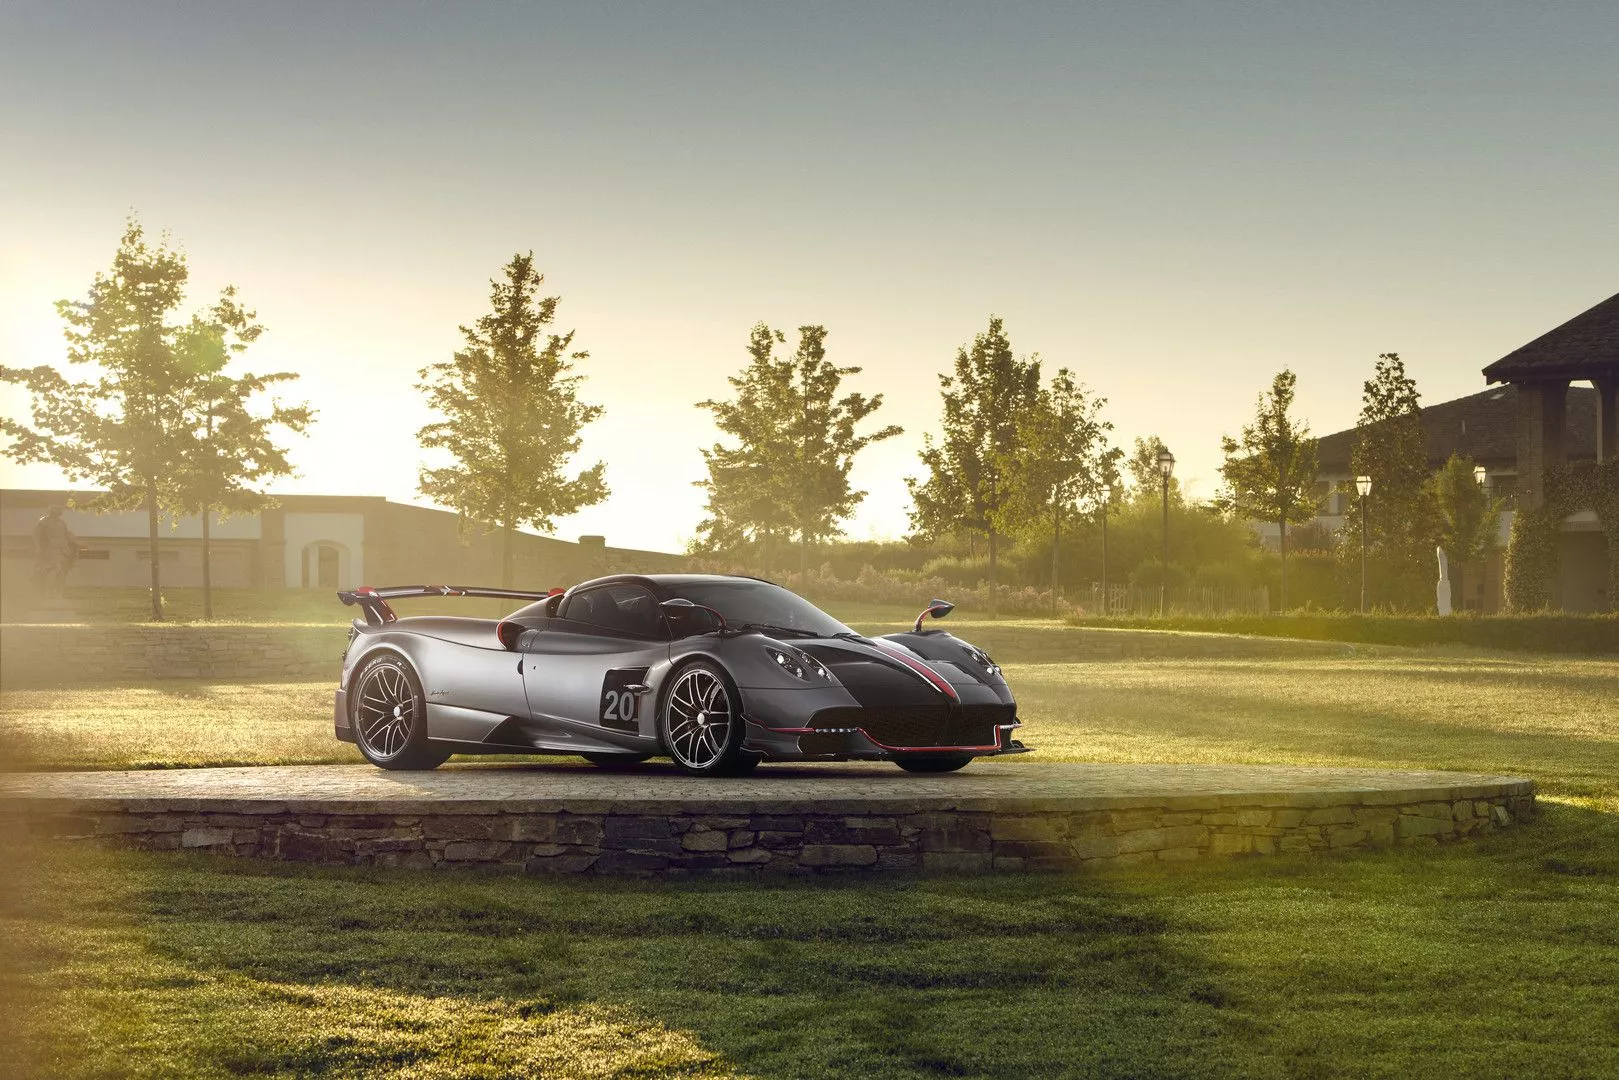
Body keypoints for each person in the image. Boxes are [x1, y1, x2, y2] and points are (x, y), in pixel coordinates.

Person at [32, 505, 78, 599]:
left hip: (64, 550)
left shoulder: (61, 523)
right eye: (57, 511)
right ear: (52, 511)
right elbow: (36, 536)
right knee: (55, 569)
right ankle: (46, 592)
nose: (59, 513)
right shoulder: (43, 521)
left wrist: (75, 542)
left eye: (59, 511)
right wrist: (38, 548)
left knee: (62, 573)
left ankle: (58, 593)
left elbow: (66, 535)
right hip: (51, 549)